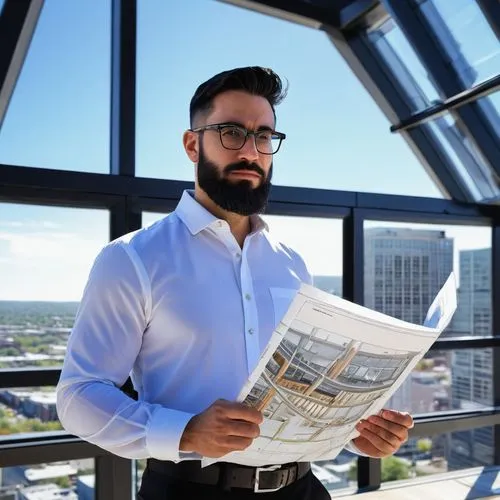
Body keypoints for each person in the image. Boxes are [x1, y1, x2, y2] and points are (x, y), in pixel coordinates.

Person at [56, 66, 413, 499]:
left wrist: (354, 434)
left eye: (264, 136)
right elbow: (79, 397)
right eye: (232, 132)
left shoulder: (292, 264)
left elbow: (303, 394)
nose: (251, 150)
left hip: (303, 489)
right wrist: (186, 431)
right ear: (193, 144)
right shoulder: (132, 258)